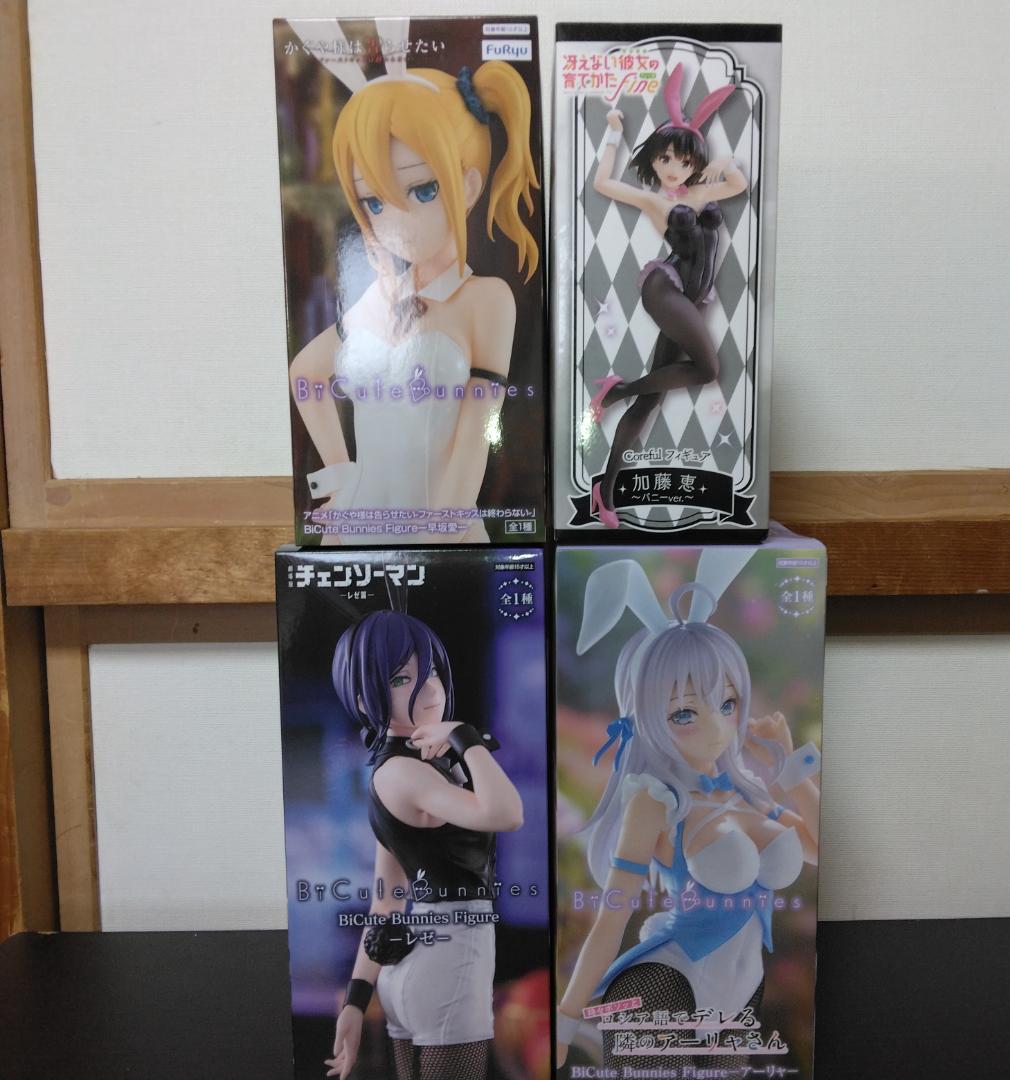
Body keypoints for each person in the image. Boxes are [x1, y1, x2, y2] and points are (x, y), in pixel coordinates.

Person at [555, 552, 821, 1071]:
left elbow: (821, 850)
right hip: (662, 987)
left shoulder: (746, 791)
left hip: (739, 994)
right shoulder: (655, 801)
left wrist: (792, 768)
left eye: (728, 703)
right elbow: (611, 919)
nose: (718, 728)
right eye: (684, 713)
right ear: (650, 718)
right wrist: (565, 1019)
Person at [290, 57, 539, 543]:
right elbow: (305, 374)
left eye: (422, 190)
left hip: (444, 537)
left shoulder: (486, 300)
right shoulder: (377, 296)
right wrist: (340, 481)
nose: (395, 221)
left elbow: (475, 438)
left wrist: (437, 539)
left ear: (468, 185)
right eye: (374, 203)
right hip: (359, 527)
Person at [326, 609, 523, 1080]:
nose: (430, 689)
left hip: (416, 967)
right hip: (451, 961)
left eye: (431, 671)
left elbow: (386, 900)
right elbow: (508, 813)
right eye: (402, 679)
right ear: (364, 698)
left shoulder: (400, 769)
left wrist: (355, 1000)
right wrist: (465, 737)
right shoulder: (404, 772)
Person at [586, 64, 748, 527]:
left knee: (652, 398)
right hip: (665, 288)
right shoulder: (656, 200)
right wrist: (613, 133)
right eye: (666, 160)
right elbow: (602, 184)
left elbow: (738, 184)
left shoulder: (702, 192)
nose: (674, 169)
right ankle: (617, 391)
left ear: (694, 164)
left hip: (689, 300)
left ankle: (605, 492)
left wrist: (723, 161)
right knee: (708, 369)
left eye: (684, 162)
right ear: (654, 160)